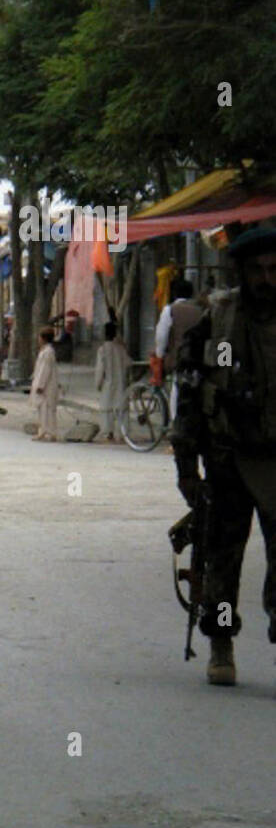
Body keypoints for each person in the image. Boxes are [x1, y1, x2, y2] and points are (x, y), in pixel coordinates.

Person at [172, 223, 276, 687]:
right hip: (228, 459)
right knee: (220, 559)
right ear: (241, 271)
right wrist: (186, 467)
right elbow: (190, 393)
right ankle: (220, 642)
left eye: (274, 269)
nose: (266, 279)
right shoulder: (220, 321)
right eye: (256, 269)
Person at [155, 278, 203, 418]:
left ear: (174, 293)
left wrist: (160, 354)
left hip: (180, 359)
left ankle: (176, 424)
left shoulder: (170, 310)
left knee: (176, 390)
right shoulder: (200, 310)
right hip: (199, 359)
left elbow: (161, 336)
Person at [93, 321, 131, 442]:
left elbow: (100, 369)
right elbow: (128, 364)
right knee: (121, 409)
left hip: (108, 383)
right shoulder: (121, 349)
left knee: (106, 409)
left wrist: (98, 383)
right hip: (121, 383)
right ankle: (122, 434)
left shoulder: (102, 349)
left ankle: (108, 434)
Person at [30, 327, 60, 441]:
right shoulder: (45, 351)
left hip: (46, 386)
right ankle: (43, 431)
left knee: (47, 409)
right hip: (46, 385)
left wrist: (40, 385)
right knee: (43, 410)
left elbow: (45, 370)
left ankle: (50, 432)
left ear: (43, 339)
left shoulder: (48, 352)